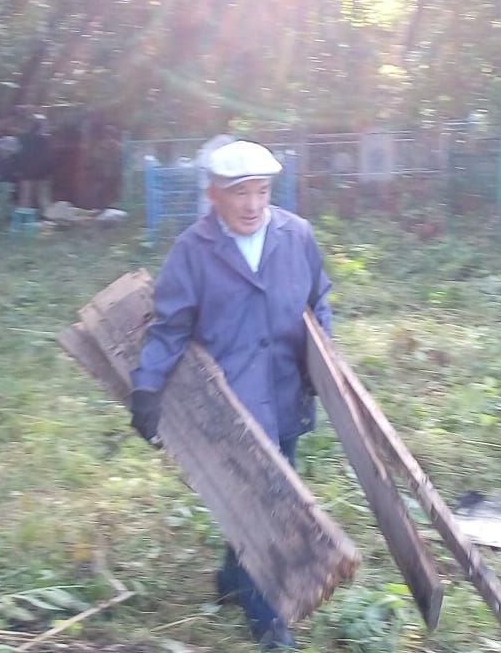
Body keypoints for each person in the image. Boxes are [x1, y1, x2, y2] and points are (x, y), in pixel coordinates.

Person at [128, 139, 332, 650]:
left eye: (261, 191)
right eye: (239, 193)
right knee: (260, 509)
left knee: (269, 498)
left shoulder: (296, 236)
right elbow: (170, 327)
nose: (252, 205)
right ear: (215, 194)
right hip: (231, 408)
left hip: (286, 396)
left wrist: (323, 361)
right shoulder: (192, 253)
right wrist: (147, 386)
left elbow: (318, 299)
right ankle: (268, 622)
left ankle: (229, 580)